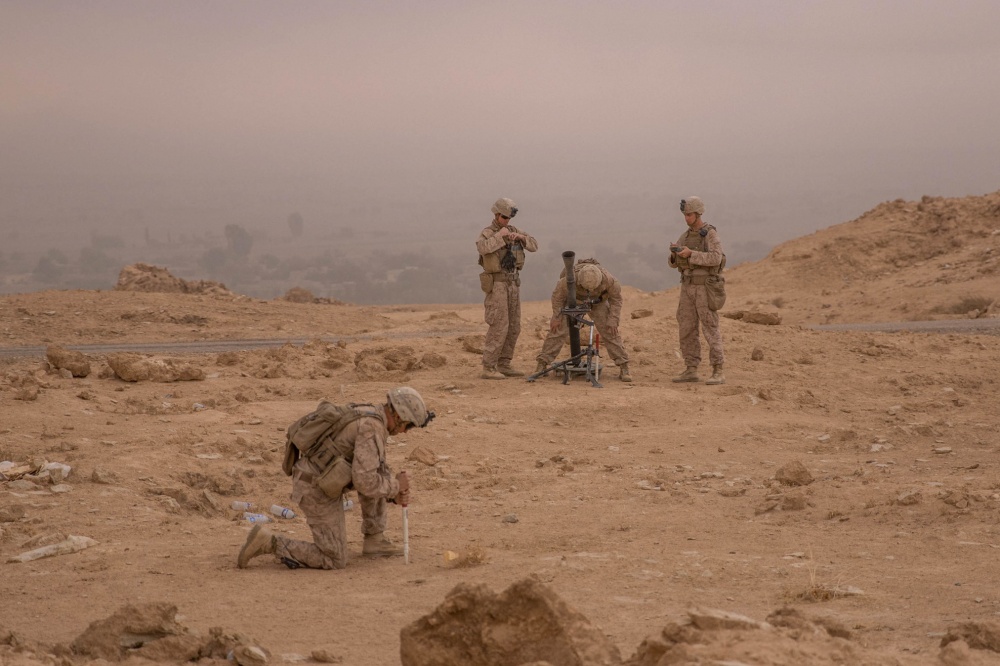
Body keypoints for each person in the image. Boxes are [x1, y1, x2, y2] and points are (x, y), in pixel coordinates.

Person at [237, 387, 434, 570]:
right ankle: (269, 542)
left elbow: (373, 470)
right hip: (314, 487)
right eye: (408, 426)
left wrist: (393, 493)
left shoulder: (373, 415)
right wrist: (396, 486)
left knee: (381, 474)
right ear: (399, 416)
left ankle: (375, 538)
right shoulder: (372, 427)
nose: (405, 432)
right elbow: (364, 481)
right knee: (334, 558)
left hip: (325, 479)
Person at [534, 259, 632, 382]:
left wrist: (613, 320)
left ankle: (624, 366)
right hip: (573, 300)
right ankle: (542, 363)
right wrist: (557, 317)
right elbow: (557, 297)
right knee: (557, 330)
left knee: (610, 331)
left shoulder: (610, 281)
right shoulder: (567, 280)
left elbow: (616, 300)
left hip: (597, 302)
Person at [476, 197, 538, 380]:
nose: (507, 221)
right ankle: (489, 366)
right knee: (499, 325)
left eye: (508, 218)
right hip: (497, 285)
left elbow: (534, 245)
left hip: (513, 283)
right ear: (496, 215)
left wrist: (520, 237)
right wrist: (500, 236)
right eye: (504, 217)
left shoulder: (513, 230)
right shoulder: (488, 233)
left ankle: (504, 363)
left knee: (514, 326)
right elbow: (482, 248)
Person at [668, 196, 725, 385]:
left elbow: (716, 258)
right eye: (685, 214)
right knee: (686, 327)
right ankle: (691, 368)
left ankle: (718, 369)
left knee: (710, 327)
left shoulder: (709, 234)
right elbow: (673, 264)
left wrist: (692, 254)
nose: (686, 218)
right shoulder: (685, 236)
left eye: (689, 214)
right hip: (687, 286)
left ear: (698, 213)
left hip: (704, 288)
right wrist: (675, 254)